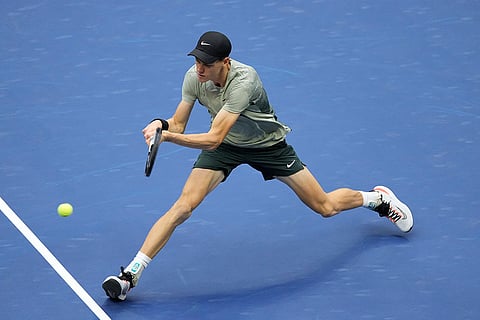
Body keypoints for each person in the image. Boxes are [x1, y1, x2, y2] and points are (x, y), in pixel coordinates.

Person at [102, 31, 413, 301]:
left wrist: (166, 138)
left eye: (206, 63)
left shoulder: (244, 81)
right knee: (183, 207)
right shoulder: (193, 77)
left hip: (267, 147)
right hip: (226, 148)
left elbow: (213, 137)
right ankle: (131, 275)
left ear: (225, 62)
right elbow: (179, 122)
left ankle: (377, 199)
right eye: (197, 60)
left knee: (326, 206)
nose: (199, 67)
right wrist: (162, 123)